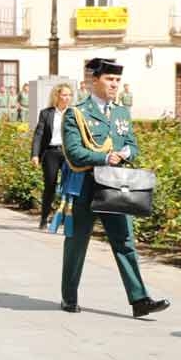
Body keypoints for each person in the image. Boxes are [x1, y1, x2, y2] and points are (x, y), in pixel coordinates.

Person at [57, 58, 170, 319]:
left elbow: (132, 142)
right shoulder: (77, 113)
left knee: (125, 242)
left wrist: (128, 150)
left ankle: (140, 300)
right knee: (77, 242)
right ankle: (69, 297)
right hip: (85, 186)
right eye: (109, 79)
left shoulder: (120, 112)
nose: (114, 85)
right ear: (93, 81)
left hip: (116, 187)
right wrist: (104, 157)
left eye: (117, 80)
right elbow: (73, 153)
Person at [30, 83, 73, 230]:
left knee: (68, 186)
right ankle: (44, 217)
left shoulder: (74, 113)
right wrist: (35, 154)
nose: (67, 98)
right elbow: (39, 134)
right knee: (50, 185)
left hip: (68, 153)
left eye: (69, 95)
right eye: (64, 95)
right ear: (57, 96)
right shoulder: (46, 113)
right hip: (51, 153)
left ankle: (65, 216)